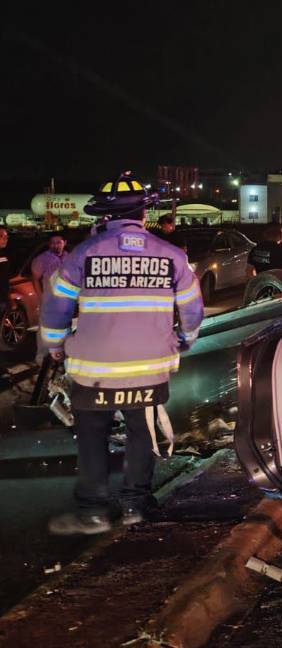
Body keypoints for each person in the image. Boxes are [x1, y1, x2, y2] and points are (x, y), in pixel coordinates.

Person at [40, 171, 204, 535]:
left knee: (93, 437)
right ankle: (136, 505)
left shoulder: (81, 255)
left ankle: (94, 512)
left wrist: (55, 346)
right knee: (140, 434)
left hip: (93, 369)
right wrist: (185, 339)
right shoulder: (172, 256)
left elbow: (56, 310)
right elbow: (192, 311)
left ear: (104, 216)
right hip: (148, 369)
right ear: (144, 215)